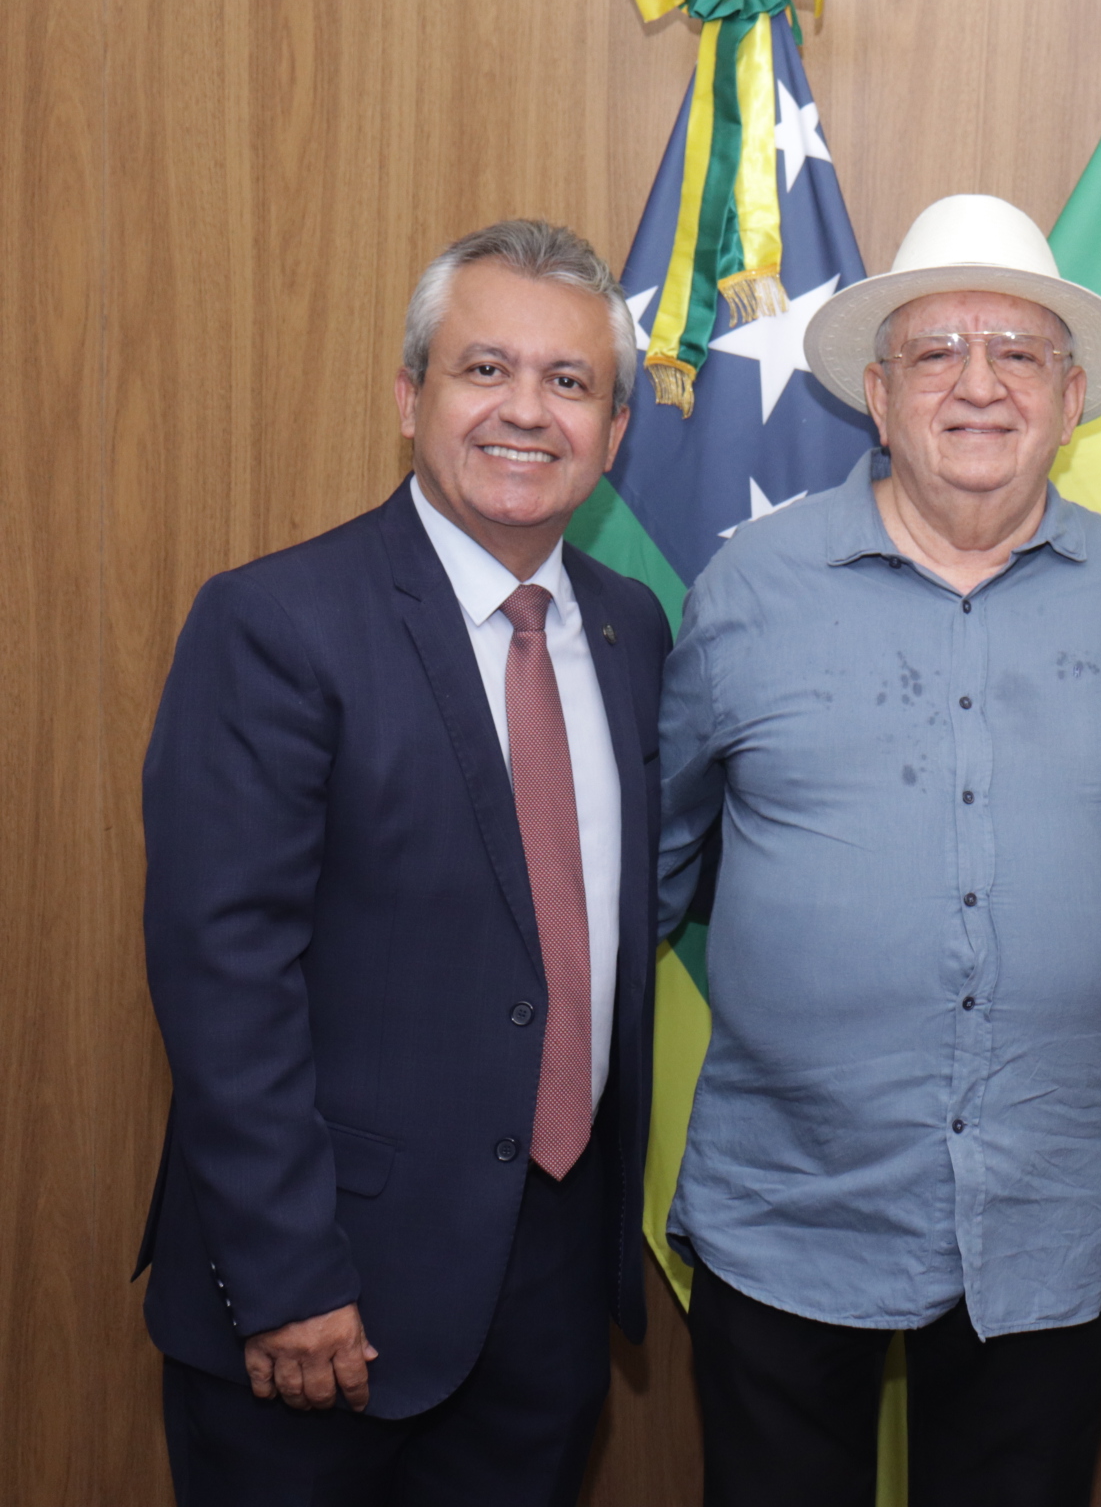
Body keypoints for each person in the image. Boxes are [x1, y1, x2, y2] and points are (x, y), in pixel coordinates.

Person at [656, 193, 1101, 1507]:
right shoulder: (747, 592)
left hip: (1047, 1215)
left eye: (1018, 353)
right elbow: (651, 863)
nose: (978, 385)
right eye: (937, 352)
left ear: (1071, 400)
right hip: (786, 1205)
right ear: (877, 392)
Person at [138, 219, 670, 1505]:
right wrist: (288, 1277)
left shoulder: (632, 628)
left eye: (569, 381)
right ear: (409, 396)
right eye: (486, 369)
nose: (526, 411)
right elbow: (222, 975)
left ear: (612, 431)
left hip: (548, 1289)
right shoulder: (277, 623)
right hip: (323, 1292)